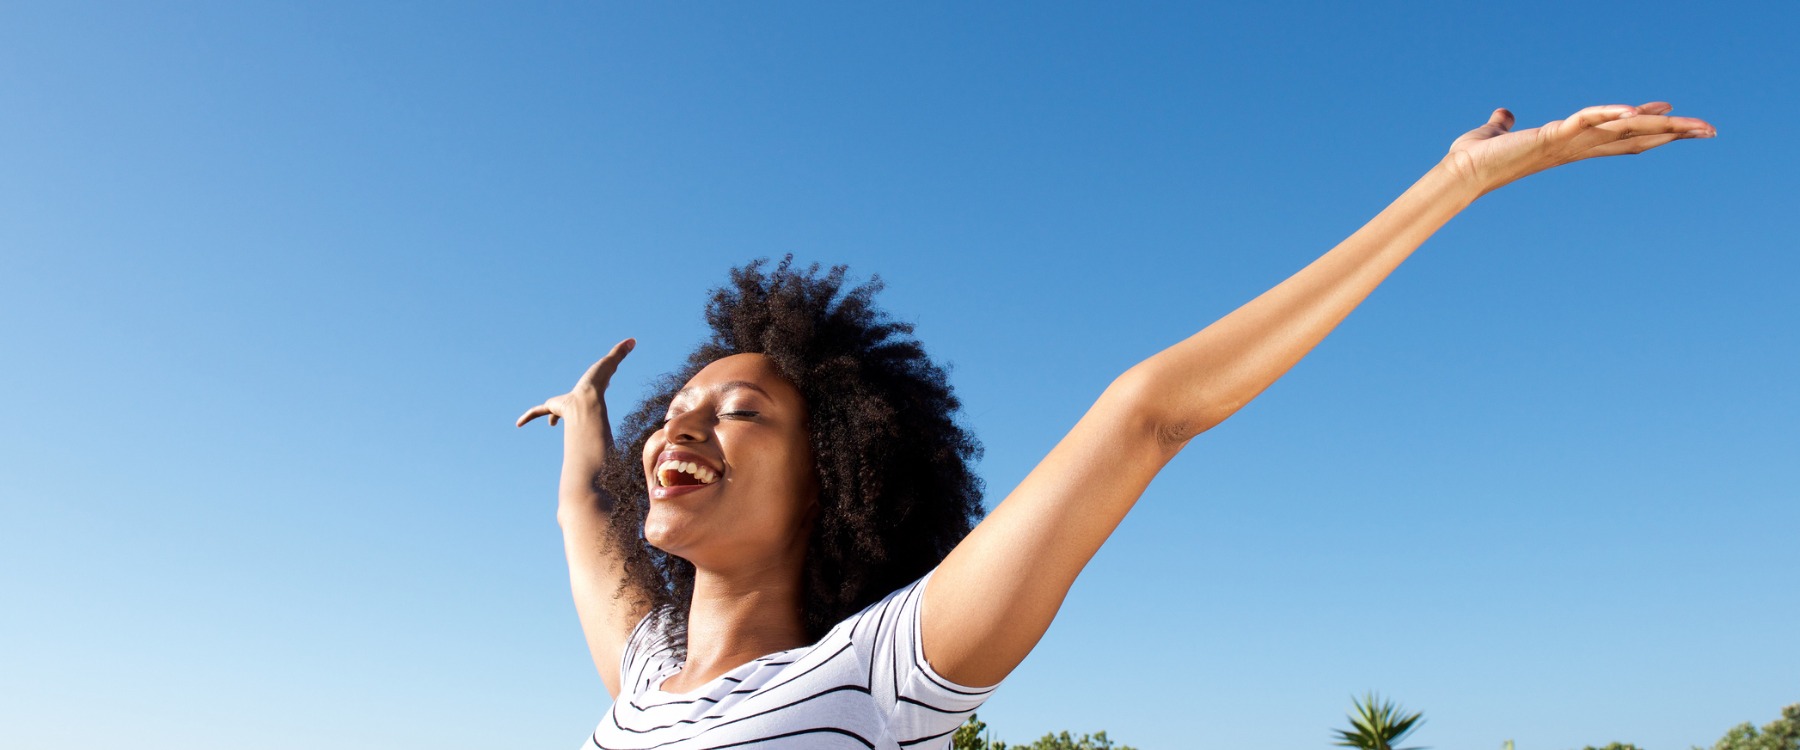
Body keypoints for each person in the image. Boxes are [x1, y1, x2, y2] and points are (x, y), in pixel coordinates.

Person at [517, 102, 1714, 750]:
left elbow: (1145, 415)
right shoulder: (646, 674)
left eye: (742, 412)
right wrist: (586, 417)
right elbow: (583, 513)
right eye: (674, 414)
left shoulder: (875, 673)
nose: (686, 428)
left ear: (834, 476)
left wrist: (1452, 185)